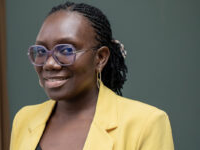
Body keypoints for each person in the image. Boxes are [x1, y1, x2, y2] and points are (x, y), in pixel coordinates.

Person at [10, 2, 174, 150]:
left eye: (67, 50)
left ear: (100, 58)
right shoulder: (24, 119)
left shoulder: (146, 123)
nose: (49, 64)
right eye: (41, 51)